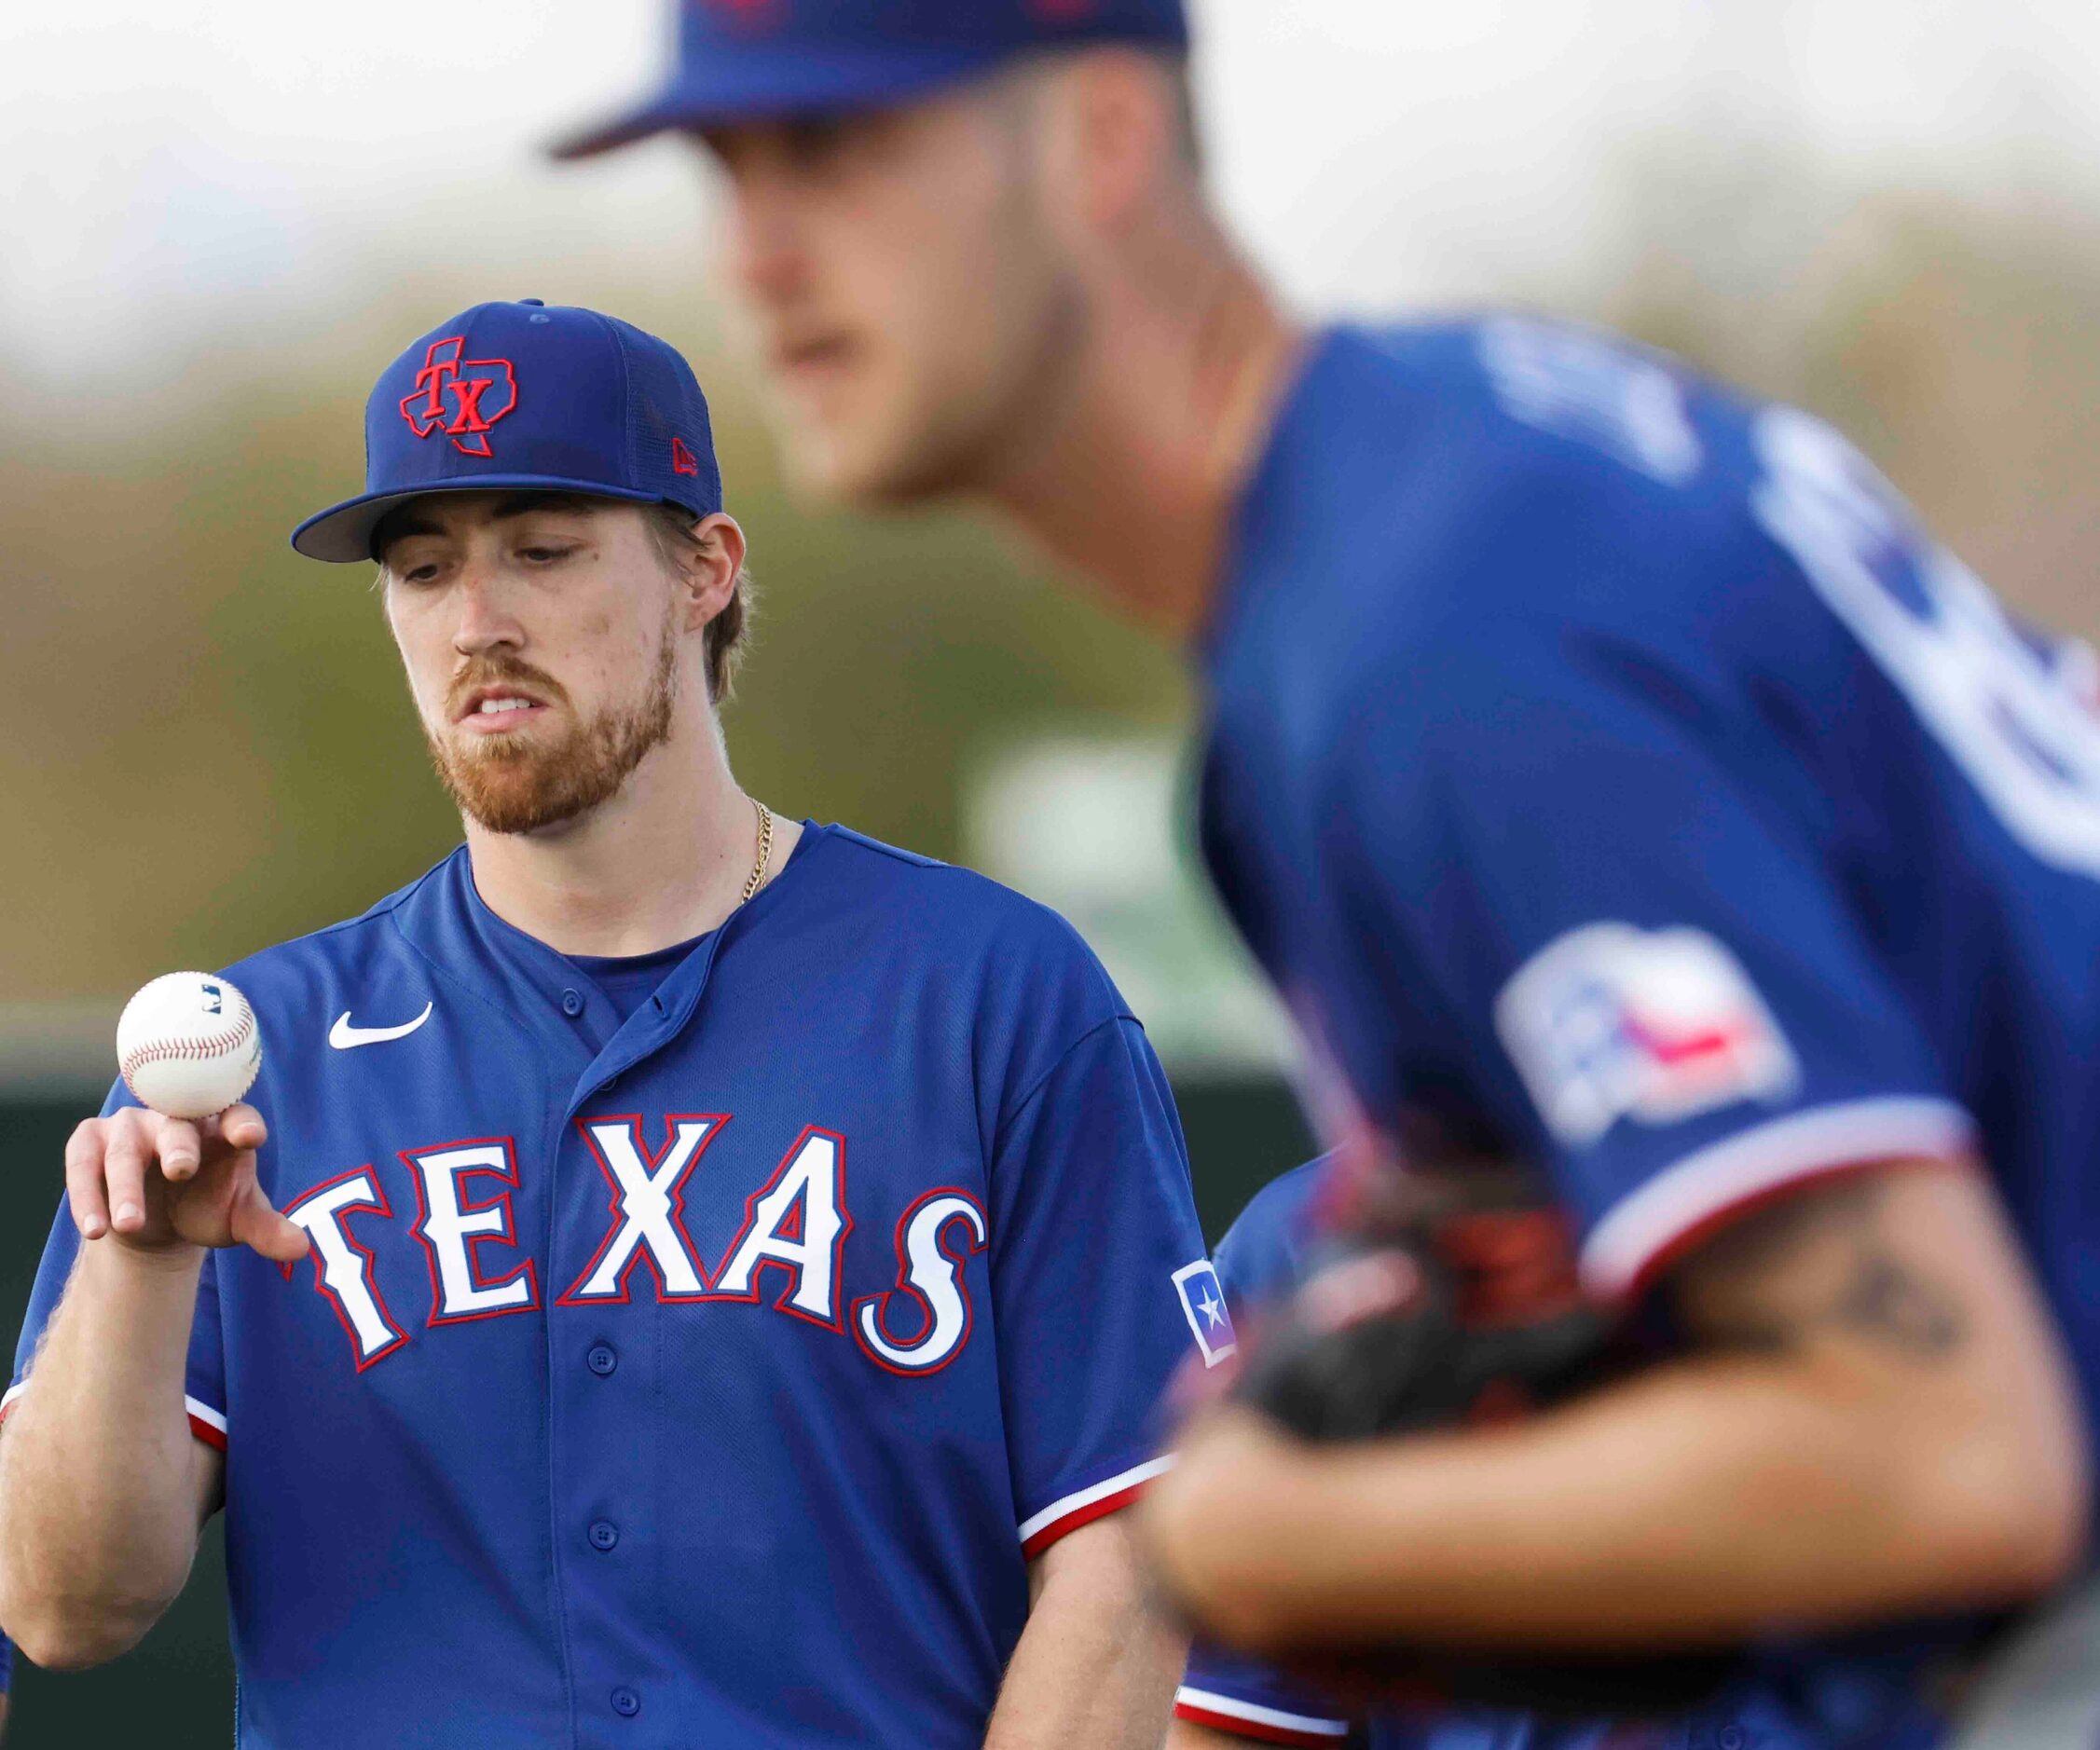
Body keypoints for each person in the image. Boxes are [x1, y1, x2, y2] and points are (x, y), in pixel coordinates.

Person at [554, 5, 2100, 1745]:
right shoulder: (1430, 490)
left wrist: (1259, 1530)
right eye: (726, 167)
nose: (754, 252)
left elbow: (1948, 1451)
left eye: (836, 153)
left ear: (1104, 137)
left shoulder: (1432, 637)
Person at [0, 299, 1219, 1750]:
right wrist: (138, 1269)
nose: (477, 621)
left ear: (704, 569)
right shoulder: (266, 1052)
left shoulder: (991, 996)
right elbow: (65, 1610)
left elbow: (1126, 1548)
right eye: (423, 565)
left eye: (543, 548)